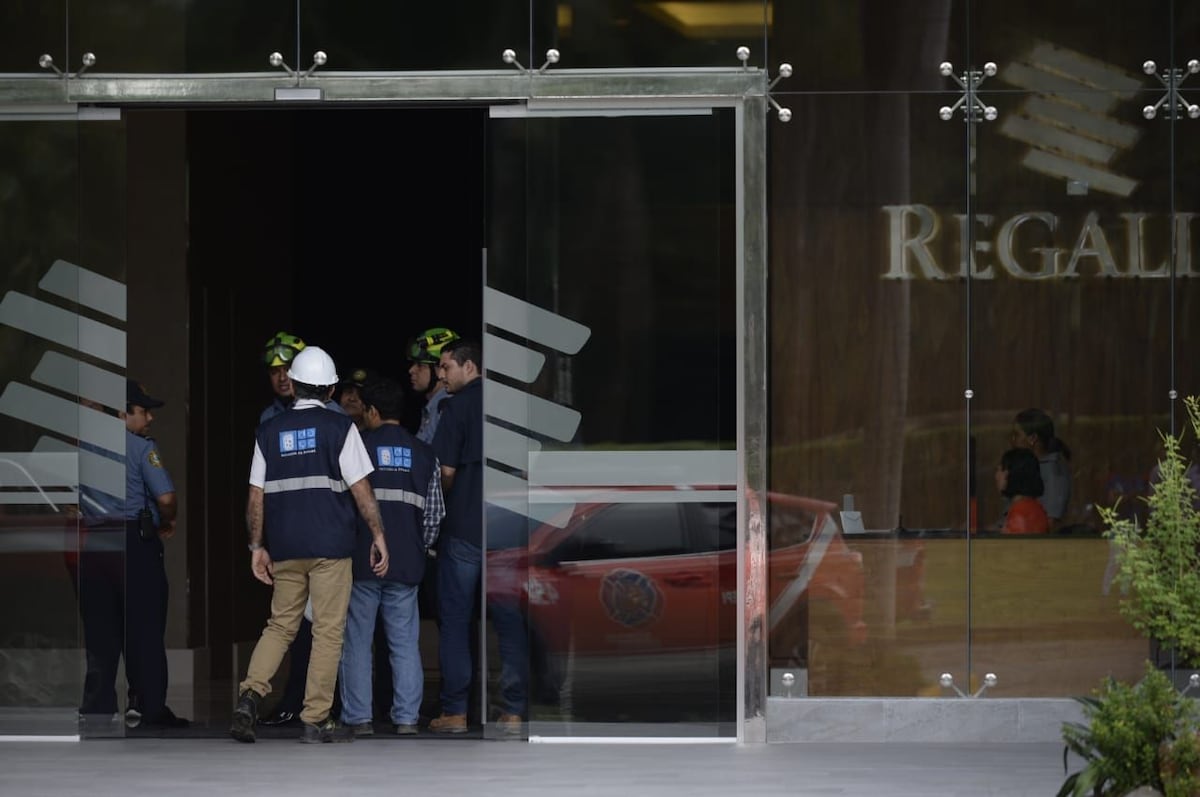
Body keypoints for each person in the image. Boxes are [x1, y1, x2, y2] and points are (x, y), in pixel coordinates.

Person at [230, 346, 390, 744]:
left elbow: (255, 495)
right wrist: (379, 535)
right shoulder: (340, 429)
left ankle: (249, 696)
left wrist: (256, 546)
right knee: (328, 631)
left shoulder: (269, 431)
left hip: (285, 546)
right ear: (331, 390)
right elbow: (362, 490)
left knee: (280, 625)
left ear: (295, 386)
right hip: (330, 547)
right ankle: (315, 718)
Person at [76, 380, 188, 729]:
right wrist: (166, 523)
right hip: (132, 542)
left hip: (93, 544)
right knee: (144, 626)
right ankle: (145, 706)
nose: (150, 418)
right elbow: (166, 499)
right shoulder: (141, 449)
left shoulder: (84, 449)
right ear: (123, 413)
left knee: (100, 629)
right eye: (143, 411)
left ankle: (96, 708)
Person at [338, 377, 444, 736]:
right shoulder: (425, 454)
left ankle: (360, 719)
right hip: (407, 562)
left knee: (357, 643)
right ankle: (406, 720)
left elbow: (343, 508)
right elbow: (433, 516)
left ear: (371, 411)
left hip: (361, 561)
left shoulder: (356, 448)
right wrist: (418, 545)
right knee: (404, 645)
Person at [256, 331, 346, 727]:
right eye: (273, 371)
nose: (280, 377)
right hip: (296, 540)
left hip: (321, 537)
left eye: (285, 369)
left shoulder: (335, 419)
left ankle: (313, 706)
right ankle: (306, 709)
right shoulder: (268, 421)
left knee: (314, 629)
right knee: (301, 627)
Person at [429, 339, 484, 733]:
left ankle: (456, 712)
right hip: (506, 529)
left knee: (456, 620)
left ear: (469, 366)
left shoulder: (456, 407)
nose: (441, 375)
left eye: (446, 367)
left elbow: (444, 471)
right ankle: (514, 712)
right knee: (510, 620)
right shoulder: (511, 409)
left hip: (464, 528)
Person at [1011, 408, 1072, 526]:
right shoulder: (1031, 467)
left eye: (1017, 435)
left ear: (1033, 438)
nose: (1013, 441)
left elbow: (1051, 522)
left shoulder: (1054, 473)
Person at [407, 327, 460, 444]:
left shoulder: (446, 408)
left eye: (420, 365)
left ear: (440, 368)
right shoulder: (433, 407)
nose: (411, 370)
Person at [996, 448, 1049, 535]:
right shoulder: (1032, 507)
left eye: (999, 469)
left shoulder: (1020, 513)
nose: (996, 476)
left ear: (1008, 474)